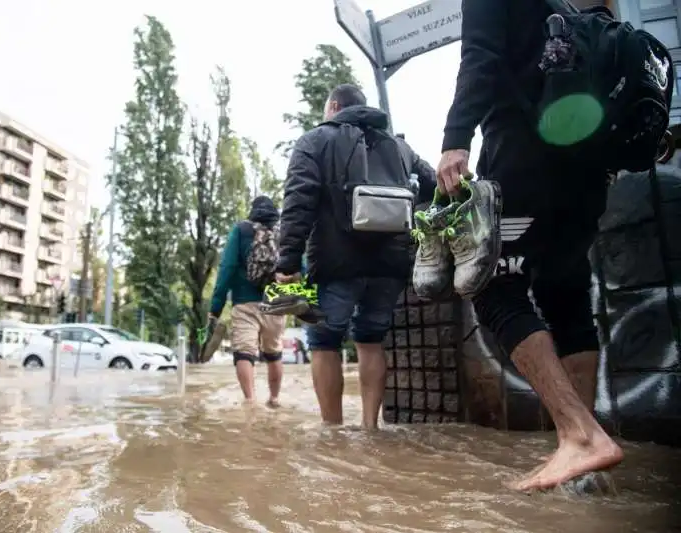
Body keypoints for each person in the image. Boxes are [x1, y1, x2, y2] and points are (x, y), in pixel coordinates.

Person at [433, 0, 623, 491]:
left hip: (524, 153)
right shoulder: (557, 6)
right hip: (586, 168)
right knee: (566, 295)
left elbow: (480, 55)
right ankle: (585, 472)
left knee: (491, 285)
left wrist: (455, 138)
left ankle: (579, 436)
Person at [273, 84, 428, 429]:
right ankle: (371, 427)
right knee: (371, 339)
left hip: (334, 263)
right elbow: (432, 184)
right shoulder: (400, 147)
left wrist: (287, 262)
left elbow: (299, 202)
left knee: (324, 341)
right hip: (390, 265)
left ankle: (333, 430)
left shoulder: (314, 140)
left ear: (332, 107)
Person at [209, 196, 286, 408]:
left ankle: (250, 402)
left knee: (244, 353)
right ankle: (275, 399)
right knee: (274, 353)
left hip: (244, 302)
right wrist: (304, 298)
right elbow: (300, 266)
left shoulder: (241, 231)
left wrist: (216, 307)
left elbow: (227, 268)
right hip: (276, 301)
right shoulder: (283, 232)